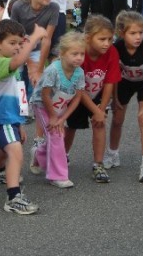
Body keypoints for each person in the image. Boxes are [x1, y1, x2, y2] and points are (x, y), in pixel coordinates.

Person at [0, 19, 47, 212]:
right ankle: (13, 198)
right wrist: (35, 38)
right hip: (2, 119)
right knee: (15, 152)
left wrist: (20, 123)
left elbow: (18, 96)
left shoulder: (12, 68)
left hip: (11, 119)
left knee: (7, 148)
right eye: (12, 43)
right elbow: (19, 60)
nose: (17, 48)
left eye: (19, 44)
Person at [64, 15, 121, 183]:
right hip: (76, 95)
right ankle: (62, 157)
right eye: (102, 39)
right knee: (70, 127)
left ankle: (98, 164)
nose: (107, 43)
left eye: (110, 39)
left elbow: (110, 81)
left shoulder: (112, 52)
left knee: (100, 123)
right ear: (88, 38)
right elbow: (79, 89)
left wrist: (101, 109)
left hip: (98, 94)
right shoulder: (79, 54)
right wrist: (96, 110)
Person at [105, 11, 143, 182]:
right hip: (123, 83)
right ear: (122, 33)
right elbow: (113, 74)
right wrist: (114, 98)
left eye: (141, 33)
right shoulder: (117, 47)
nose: (138, 37)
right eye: (133, 33)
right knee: (117, 119)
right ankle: (113, 153)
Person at [29, 31, 86, 188]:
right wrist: (54, 117)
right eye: (74, 53)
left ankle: (38, 154)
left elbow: (78, 97)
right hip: (42, 104)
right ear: (62, 53)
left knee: (55, 133)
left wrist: (62, 118)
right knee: (56, 134)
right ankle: (57, 175)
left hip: (60, 106)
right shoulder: (53, 70)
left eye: (82, 54)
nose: (79, 57)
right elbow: (45, 95)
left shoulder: (79, 72)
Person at [10, 0, 59, 149]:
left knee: (39, 85)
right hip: (17, 47)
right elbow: (15, 36)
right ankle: (13, 120)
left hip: (39, 49)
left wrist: (38, 68)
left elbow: (47, 40)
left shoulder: (53, 8)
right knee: (15, 84)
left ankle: (38, 132)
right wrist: (29, 63)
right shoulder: (18, 7)